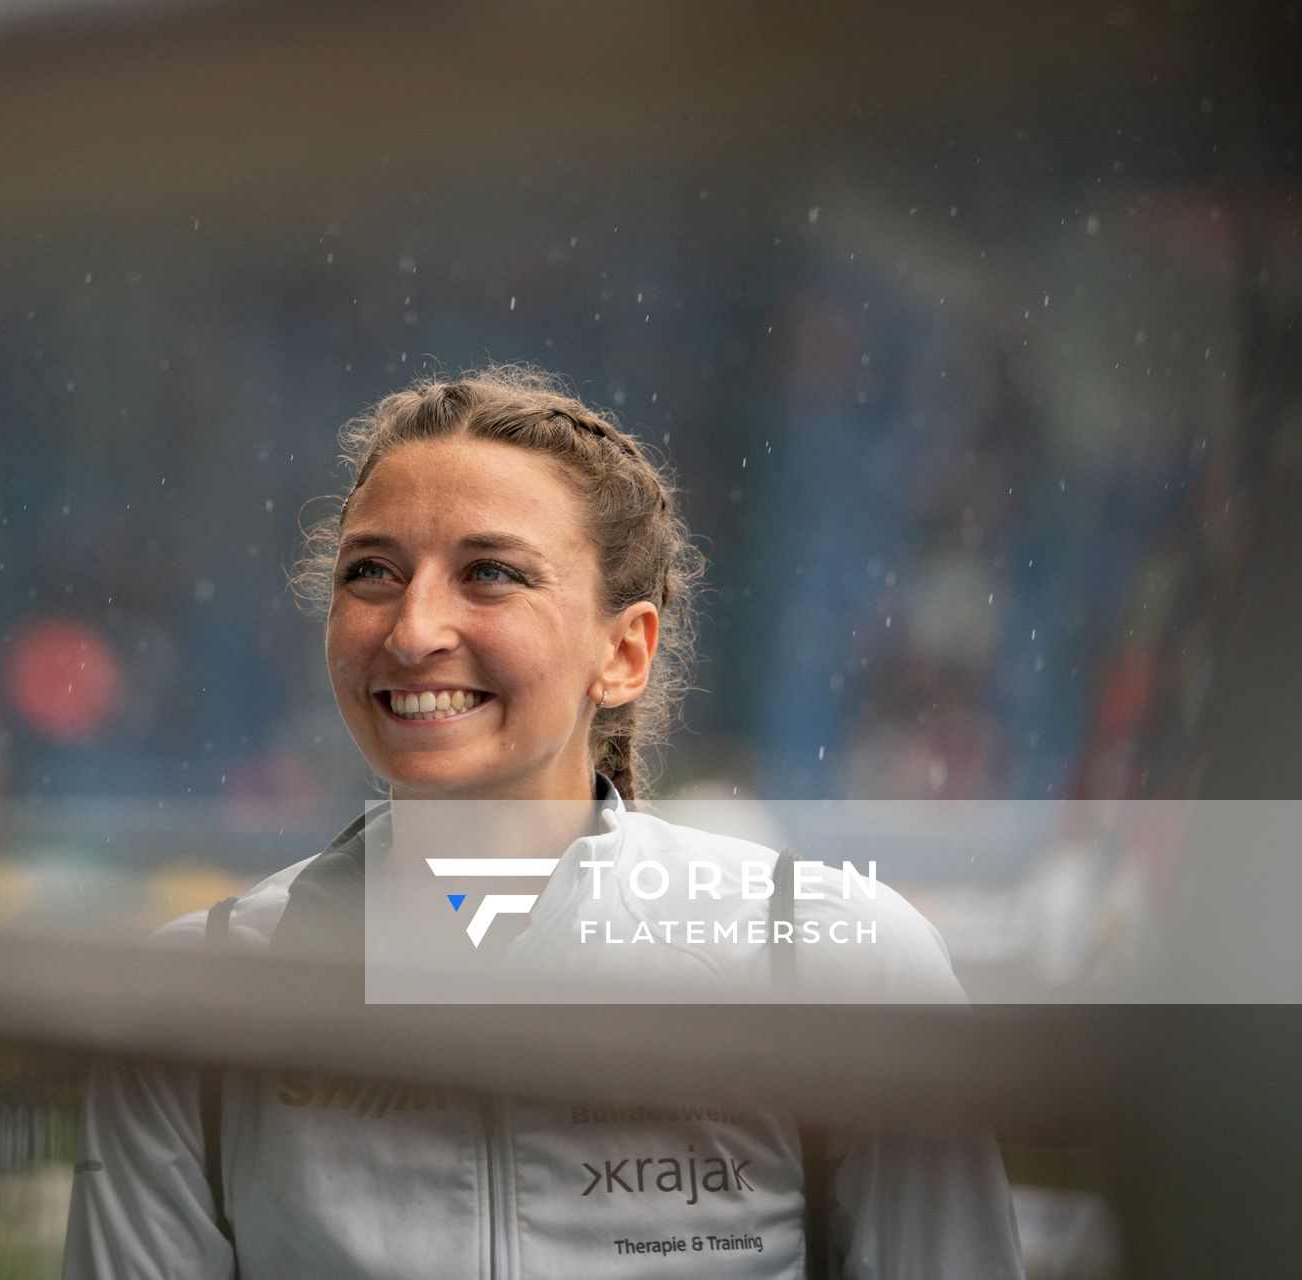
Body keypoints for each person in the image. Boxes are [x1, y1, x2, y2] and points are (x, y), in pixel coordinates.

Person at [63, 365, 1025, 1278]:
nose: (412, 630)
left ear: (625, 651)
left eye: (490, 574)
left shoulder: (835, 965)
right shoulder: (197, 1001)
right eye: (372, 572)